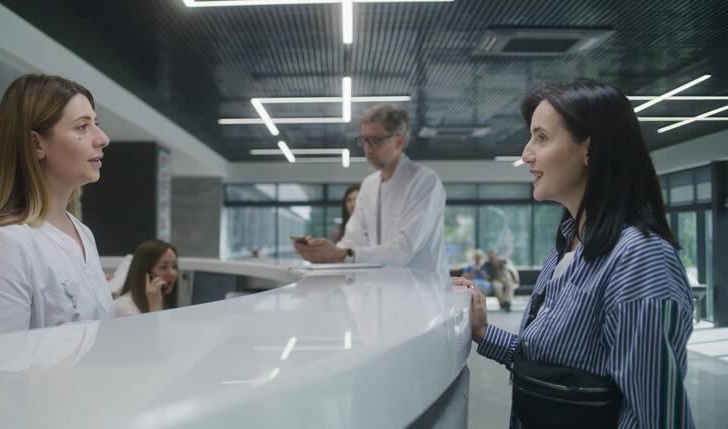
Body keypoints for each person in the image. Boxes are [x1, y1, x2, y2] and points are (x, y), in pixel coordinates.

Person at [455, 79, 694, 427]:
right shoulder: (568, 245)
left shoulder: (639, 259)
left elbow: (657, 418)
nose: (526, 154)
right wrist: (483, 332)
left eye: (541, 137)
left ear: (589, 150)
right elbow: (559, 373)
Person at [0, 74, 114, 337]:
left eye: (96, 124)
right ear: (36, 144)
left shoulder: (83, 234)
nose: (102, 138)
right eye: (82, 126)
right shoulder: (1, 243)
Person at [294, 104, 448, 276]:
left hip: (422, 294)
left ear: (399, 141)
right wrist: (324, 253)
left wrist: (341, 255)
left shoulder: (424, 181)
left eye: (375, 140)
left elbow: (403, 251)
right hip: (381, 290)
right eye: (364, 140)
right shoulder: (369, 185)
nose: (367, 148)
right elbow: (354, 238)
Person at [114, 239, 179, 317]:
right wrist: (155, 307)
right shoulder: (124, 308)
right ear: (145, 273)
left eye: (174, 266)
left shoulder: (164, 300)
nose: (172, 273)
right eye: (163, 267)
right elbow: (157, 329)